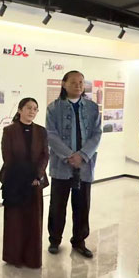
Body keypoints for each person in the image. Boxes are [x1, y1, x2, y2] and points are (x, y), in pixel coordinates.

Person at [45, 70, 102, 258]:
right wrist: (69, 155)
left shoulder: (92, 108)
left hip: (85, 165)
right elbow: (51, 134)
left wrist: (83, 155)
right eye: (73, 82)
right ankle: (54, 240)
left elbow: (97, 134)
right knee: (57, 205)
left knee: (82, 206)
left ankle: (79, 241)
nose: (78, 85)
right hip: (62, 165)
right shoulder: (54, 108)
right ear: (63, 84)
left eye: (81, 82)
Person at [0, 98, 49, 268]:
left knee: (33, 221)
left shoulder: (41, 131)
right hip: (14, 181)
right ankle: (14, 257)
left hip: (35, 182)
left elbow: (45, 155)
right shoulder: (9, 131)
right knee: (15, 221)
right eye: (28, 108)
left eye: (35, 109)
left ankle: (32, 258)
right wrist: (25, 178)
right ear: (20, 110)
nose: (32, 111)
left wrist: (37, 176)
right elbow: (8, 157)